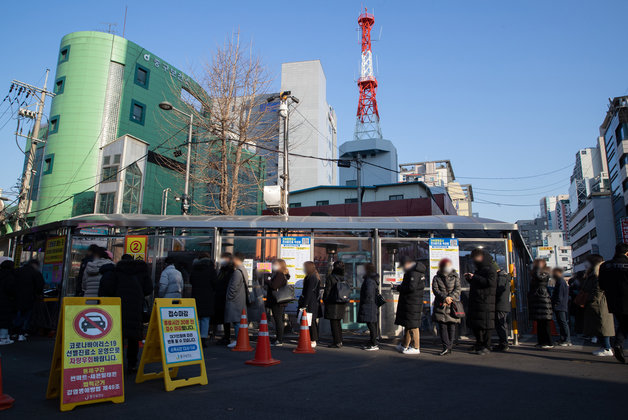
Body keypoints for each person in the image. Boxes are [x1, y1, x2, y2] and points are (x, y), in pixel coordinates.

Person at [99, 254, 152, 373]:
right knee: (133, 337)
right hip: (136, 307)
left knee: (118, 336)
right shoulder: (141, 271)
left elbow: (109, 289)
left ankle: (117, 362)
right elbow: (149, 289)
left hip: (118, 308)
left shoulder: (116, 271)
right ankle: (132, 364)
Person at [599, 243, 628, 364]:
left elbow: (602, 285)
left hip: (613, 301)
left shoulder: (605, 266)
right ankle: (618, 344)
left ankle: (618, 344)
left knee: (623, 323)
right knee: (624, 324)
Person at [581, 254, 615, 357]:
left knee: (602, 326)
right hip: (597, 303)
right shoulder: (595, 272)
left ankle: (607, 348)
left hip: (598, 303)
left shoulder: (598, 273)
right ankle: (604, 346)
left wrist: (592, 300)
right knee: (599, 327)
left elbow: (597, 290)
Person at [465, 249, 497, 355]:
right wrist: (470, 279)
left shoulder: (490, 269)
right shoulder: (479, 269)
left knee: (486, 325)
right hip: (477, 301)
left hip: (486, 301)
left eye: (476, 257)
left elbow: (490, 283)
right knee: (477, 325)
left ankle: (486, 345)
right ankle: (479, 344)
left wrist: (475, 277)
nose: (475, 260)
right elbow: (478, 282)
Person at [394, 256, 426, 355]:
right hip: (412, 302)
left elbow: (411, 288)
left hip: (412, 302)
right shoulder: (417, 271)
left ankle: (416, 347)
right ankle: (405, 345)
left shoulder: (414, 273)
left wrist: (399, 287)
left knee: (413, 326)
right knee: (409, 324)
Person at [432, 258, 461, 356]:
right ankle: (446, 346)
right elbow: (435, 289)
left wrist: (449, 298)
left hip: (450, 304)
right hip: (443, 304)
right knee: (443, 326)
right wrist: (446, 298)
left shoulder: (455, 277)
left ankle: (449, 347)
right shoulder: (437, 277)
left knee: (451, 326)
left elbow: (458, 289)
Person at [13, 259, 44, 342]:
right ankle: (21, 333)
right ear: (35, 265)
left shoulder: (17, 271)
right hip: (29, 298)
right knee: (25, 316)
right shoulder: (36, 273)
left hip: (16, 298)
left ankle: (14, 332)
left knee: (17, 314)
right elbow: (40, 286)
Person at [190, 253, 216, 347]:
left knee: (197, 318)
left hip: (196, 295)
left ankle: (195, 337)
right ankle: (203, 339)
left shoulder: (194, 269)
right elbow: (215, 283)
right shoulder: (211, 269)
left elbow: (191, 281)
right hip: (208, 296)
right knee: (205, 318)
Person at [528, 258, 554, 349]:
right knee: (540, 323)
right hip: (538, 302)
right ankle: (541, 341)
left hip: (543, 301)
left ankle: (548, 342)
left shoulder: (544, 273)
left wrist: (538, 268)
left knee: (545, 324)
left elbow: (539, 277)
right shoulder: (538, 274)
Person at [225, 253, 249, 348]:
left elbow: (233, 288)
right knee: (239, 320)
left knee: (236, 321)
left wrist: (229, 297)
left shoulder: (237, 272)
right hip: (240, 299)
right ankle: (240, 339)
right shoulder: (243, 270)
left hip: (235, 300)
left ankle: (238, 340)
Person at [323, 261, 348, 348]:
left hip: (333, 302)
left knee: (334, 323)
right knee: (338, 323)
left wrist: (325, 300)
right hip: (342, 302)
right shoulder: (343, 277)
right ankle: (340, 340)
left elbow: (327, 291)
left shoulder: (331, 277)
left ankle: (336, 342)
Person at [265, 259, 290, 346]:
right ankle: (278, 338)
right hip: (278, 300)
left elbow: (274, 285)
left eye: (275, 264)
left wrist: (267, 281)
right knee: (277, 319)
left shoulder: (279, 274)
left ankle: (279, 339)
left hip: (277, 301)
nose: (273, 266)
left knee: (278, 319)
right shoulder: (280, 274)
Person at [358, 263, 380, 351]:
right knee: (372, 324)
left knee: (371, 324)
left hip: (369, 305)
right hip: (372, 305)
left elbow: (369, 293)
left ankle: (373, 343)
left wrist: (366, 301)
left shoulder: (369, 280)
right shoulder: (372, 279)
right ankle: (372, 341)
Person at [299, 261, 321, 348]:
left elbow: (308, 292)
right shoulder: (314, 276)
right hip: (313, 302)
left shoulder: (311, 277)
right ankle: (313, 338)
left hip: (310, 303)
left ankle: (313, 339)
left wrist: (305, 304)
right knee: (311, 321)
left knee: (310, 321)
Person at [213, 253, 233, 345]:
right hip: (220, 296)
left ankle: (227, 336)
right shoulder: (222, 270)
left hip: (224, 296)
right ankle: (224, 336)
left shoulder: (230, 270)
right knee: (222, 317)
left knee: (226, 318)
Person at [551, 267, 571, 346]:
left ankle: (567, 339)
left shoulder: (560, 282)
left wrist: (556, 303)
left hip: (560, 305)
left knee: (563, 322)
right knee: (561, 322)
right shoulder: (561, 281)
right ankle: (563, 338)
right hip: (561, 305)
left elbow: (560, 295)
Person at [493, 265, 511, 351]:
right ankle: (503, 342)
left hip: (500, 305)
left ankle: (504, 344)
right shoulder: (504, 277)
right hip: (504, 305)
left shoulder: (501, 277)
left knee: (501, 324)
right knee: (502, 324)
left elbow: (498, 291)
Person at [0, 259, 16, 345]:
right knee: (5, 319)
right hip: (6, 301)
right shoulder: (10, 276)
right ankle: (3, 338)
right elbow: (11, 290)